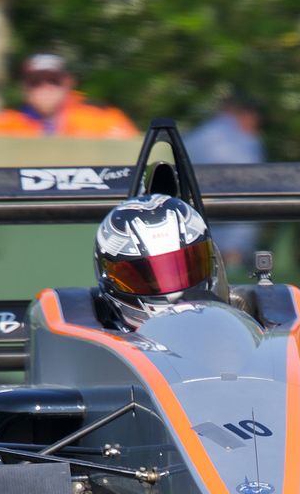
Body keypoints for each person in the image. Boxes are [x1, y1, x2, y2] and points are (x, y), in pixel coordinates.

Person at [0, 53, 139, 148]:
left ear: (68, 82)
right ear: (24, 88)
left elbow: (134, 147)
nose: (45, 87)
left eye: (53, 80)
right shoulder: (14, 124)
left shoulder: (99, 117)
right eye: (35, 82)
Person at [92, 193, 218, 326]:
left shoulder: (226, 321)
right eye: (151, 279)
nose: (171, 285)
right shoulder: (91, 336)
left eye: (186, 272)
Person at [184, 93, 264, 264]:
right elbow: (250, 191)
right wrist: (236, 247)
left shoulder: (194, 137)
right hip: (229, 238)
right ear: (247, 115)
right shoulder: (245, 142)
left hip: (193, 233)